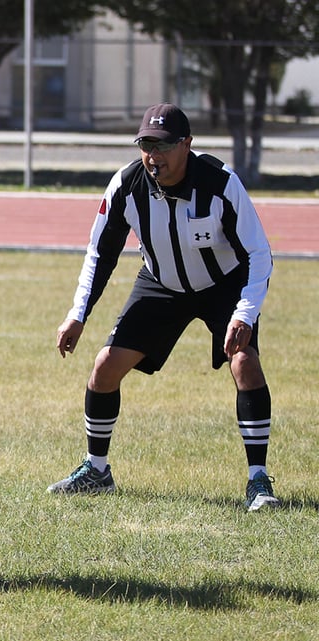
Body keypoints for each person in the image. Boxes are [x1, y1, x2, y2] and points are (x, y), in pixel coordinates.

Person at [50, 103, 278, 512]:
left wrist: (244, 313)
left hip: (222, 285)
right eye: (146, 145)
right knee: (105, 367)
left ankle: (258, 481)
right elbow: (100, 253)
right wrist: (77, 313)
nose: (154, 155)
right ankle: (97, 471)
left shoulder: (221, 182)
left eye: (164, 145)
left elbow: (259, 254)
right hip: (161, 283)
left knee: (244, 363)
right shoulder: (125, 185)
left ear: (187, 145)